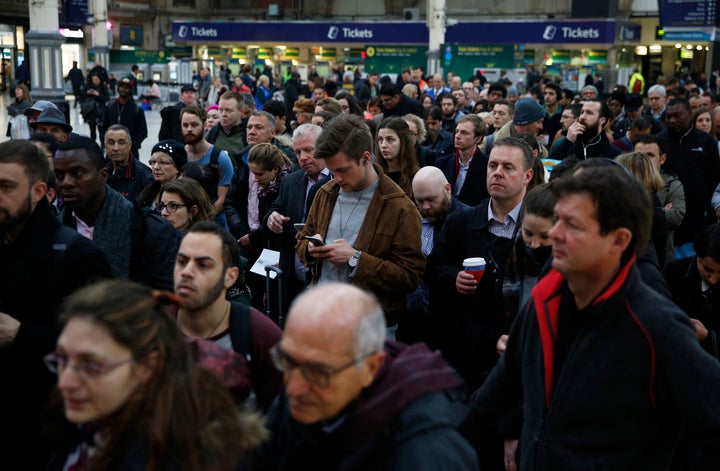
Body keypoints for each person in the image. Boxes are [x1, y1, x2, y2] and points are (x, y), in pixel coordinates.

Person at [470, 165, 720, 470]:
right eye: (557, 219)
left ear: (618, 240)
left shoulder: (656, 326)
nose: (554, 233)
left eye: (572, 225)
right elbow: (503, 384)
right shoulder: (546, 295)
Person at [44, 279, 266, 470]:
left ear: (148, 367)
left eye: (92, 366)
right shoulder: (79, 426)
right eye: (61, 360)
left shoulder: (192, 457)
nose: (65, 383)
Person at [256, 282, 478, 470]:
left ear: (371, 368)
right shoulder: (301, 399)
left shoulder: (428, 454)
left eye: (318, 372)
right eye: (287, 361)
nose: (293, 388)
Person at [0, 140, 112, 469]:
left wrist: (22, 334)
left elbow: (105, 346)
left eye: (6, 187)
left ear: (38, 191)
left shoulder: (78, 255)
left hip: (51, 430)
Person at [296, 114, 425, 332]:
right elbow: (302, 239)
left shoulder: (399, 207)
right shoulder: (325, 194)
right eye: (332, 170)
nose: (336, 178)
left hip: (370, 328)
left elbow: (409, 277)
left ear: (366, 158)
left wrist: (356, 259)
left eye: (343, 170)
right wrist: (309, 249)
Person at [427, 137, 535, 392]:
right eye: (492, 165)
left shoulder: (538, 228)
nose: (497, 173)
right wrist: (454, 277)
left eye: (508, 167)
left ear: (527, 175)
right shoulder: (460, 222)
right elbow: (433, 269)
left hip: (521, 353)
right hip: (467, 355)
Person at [174, 222, 284, 411]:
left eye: (203, 265)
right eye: (182, 261)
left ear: (230, 277)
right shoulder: (152, 330)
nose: (187, 272)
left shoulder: (260, 335)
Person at [55, 135, 177, 290]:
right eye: (59, 175)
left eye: (77, 173)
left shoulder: (149, 230)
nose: (66, 183)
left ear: (103, 176)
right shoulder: (53, 231)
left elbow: (167, 302)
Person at [264, 123, 330, 310]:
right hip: (293, 280)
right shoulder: (291, 181)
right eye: (298, 152)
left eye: (309, 150)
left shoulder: (338, 180)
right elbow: (274, 210)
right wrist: (272, 218)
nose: (302, 158)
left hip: (326, 281)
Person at [658, 97, 720, 253]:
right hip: (668, 213)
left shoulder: (706, 141)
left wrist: (711, 215)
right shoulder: (659, 140)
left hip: (698, 216)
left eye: (677, 116)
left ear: (689, 113)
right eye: (668, 116)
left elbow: (715, 178)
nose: (672, 120)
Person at [635, 134, 686, 263]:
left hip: (660, 256)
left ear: (662, 159)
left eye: (649, 155)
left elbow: (677, 216)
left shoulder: (672, 184)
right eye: (639, 155)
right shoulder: (623, 181)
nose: (643, 160)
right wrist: (661, 211)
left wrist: (639, 214)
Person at [181, 105, 235, 221]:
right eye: (185, 125)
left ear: (204, 125)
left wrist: (202, 219)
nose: (189, 129)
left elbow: (222, 199)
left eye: (194, 125)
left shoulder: (220, 158)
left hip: (214, 225)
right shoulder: (179, 156)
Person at [434, 114, 490, 206]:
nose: (457, 136)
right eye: (457, 131)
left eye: (464, 132)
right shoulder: (442, 163)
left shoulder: (487, 166)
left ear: (478, 138)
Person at [553, 99, 622, 159]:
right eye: (582, 112)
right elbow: (551, 165)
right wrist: (567, 142)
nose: (582, 117)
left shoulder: (613, 154)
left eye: (589, 113)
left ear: (601, 120)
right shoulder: (569, 145)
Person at [104, 124, 153, 202]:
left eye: (121, 142)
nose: (116, 148)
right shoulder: (102, 173)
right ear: (105, 145)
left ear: (129, 145)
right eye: (111, 142)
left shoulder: (145, 177)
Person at [100, 76, 147, 157]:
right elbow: (104, 127)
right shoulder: (110, 107)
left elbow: (143, 132)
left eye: (127, 88)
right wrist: (107, 144)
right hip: (111, 151)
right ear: (118, 88)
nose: (123, 89)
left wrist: (131, 146)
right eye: (121, 87)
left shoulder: (137, 109)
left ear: (131, 90)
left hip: (131, 153)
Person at [138, 139, 188, 209]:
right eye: (153, 162)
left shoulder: (186, 194)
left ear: (177, 167)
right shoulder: (147, 192)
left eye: (163, 162)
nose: (156, 167)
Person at [376, 117, 419, 198]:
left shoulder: (416, 177)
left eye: (390, 139)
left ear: (403, 141)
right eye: (380, 139)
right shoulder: (374, 176)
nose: (383, 145)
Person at [83, 74, 109, 143]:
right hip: (91, 112)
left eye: (96, 80)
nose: (95, 81)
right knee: (92, 130)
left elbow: (107, 98)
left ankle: (103, 147)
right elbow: (82, 97)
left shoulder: (103, 87)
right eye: (93, 80)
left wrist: (98, 94)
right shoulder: (88, 86)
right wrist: (87, 93)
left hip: (100, 112)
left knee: (101, 131)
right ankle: (93, 146)